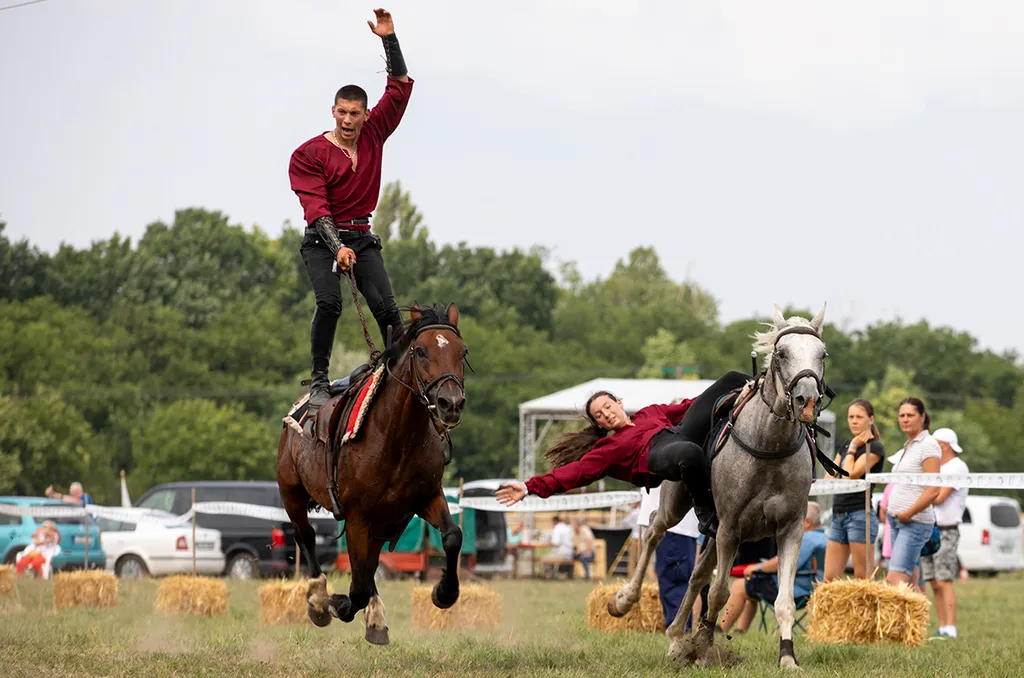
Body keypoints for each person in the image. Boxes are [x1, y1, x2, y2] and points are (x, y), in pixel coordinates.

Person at [288, 7, 412, 425]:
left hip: (362, 237)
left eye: (354, 113)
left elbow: (398, 88)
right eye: (341, 112)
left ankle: (401, 377)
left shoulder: (375, 132)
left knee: (389, 313)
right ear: (333, 111)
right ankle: (319, 380)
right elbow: (316, 207)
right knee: (329, 302)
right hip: (324, 240)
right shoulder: (309, 154)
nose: (347, 120)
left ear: (363, 116)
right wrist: (337, 246)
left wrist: (389, 40)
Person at [496, 371, 752, 538]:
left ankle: (767, 384)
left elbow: (687, 408)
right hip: (657, 454)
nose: (606, 414)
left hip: (679, 433)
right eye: (599, 415)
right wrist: (529, 487)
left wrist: (717, 398)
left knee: (729, 380)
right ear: (600, 424)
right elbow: (574, 473)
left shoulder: (650, 412)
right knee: (689, 452)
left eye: (607, 407)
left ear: (618, 403)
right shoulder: (609, 449)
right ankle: (706, 515)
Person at [718, 502, 827, 634]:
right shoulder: (826, 539)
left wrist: (757, 567)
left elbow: (783, 562)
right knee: (750, 588)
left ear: (807, 522)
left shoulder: (806, 539)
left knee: (739, 586)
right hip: (814, 590)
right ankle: (740, 631)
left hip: (796, 591)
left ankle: (721, 630)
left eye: (796, 519)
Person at [824, 399, 885, 580]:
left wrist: (852, 448)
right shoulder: (845, 445)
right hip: (839, 514)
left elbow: (849, 474)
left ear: (871, 419)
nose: (854, 421)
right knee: (829, 579)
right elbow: (830, 476)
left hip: (860, 515)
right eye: (851, 417)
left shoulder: (874, 447)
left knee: (863, 578)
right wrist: (850, 446)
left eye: (859, 417)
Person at [884, 397, 942, 588]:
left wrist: (908, 514)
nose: (905, 419)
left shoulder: (928, 444)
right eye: (902, 415)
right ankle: (918, 620)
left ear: (922, 417)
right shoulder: (909, 445)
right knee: (911, 583)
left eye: (910, 415)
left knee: (895, 581)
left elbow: (933, 489)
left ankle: (898, 619)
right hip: (897, 520)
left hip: (913, 522)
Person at [921, 427, 969, 639]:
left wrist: (923, 494)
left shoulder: (957, 467)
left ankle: (951, 626)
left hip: (947, 529)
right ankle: (942, 626)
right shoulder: (937, 467)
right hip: (932, 528)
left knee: (944, 580)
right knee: (933, 581)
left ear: (945, 446)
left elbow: (939, 497)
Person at [637, 484, 700, 630]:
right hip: (675, 527)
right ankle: (682, 633)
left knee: (674, 586)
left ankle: (679, 638)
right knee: (675, 586)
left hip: (673, 528)